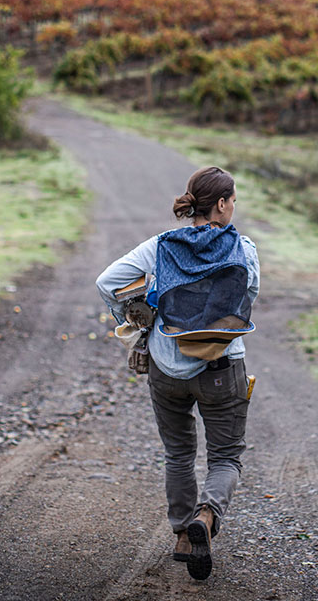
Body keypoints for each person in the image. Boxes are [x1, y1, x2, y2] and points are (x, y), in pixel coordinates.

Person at [95, 166, 259, 581]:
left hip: (166, 369)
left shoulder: (161, 246)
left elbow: (107, 281)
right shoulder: (244, 248)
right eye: (233, 200)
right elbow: (250, 295)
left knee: (179, 454)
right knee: (225, 456)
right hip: (222, 367)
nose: (234, 207)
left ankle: (184, 535)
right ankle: (206, 516)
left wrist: (136, 315)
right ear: (221, 205)